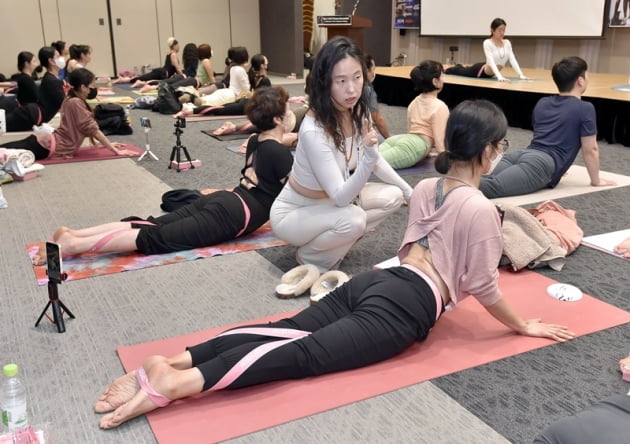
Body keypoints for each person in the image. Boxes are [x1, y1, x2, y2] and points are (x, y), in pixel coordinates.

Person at [93, 99, 574, 430]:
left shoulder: (427, 186)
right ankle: (178, 381)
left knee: (284, 327)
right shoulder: (480, 207)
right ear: (489, 150)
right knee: (303, 356)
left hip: (380, 280)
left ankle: (176, 359)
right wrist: (523, 324)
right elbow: (483, 285)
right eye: (502, 147)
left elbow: (409, 250)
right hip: (406, 303)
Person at [31, 86, 294, 265]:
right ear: (279, 119)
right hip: (233, 215)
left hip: (226, 200)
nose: (294, 114)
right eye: (289, 111)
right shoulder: (278, 152)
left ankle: (75, 234)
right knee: (155, 238)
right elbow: (300, 191)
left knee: (152, 225)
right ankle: (72, 246)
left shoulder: (255, 139)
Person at [269, 36, 412, 272]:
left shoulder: (355, 109)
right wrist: (367, 158)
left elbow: (376, 160)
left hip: (333, 204)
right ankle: (310, 256)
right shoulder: (314, 130)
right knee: (354, 219)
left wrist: (410, 192)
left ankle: (331, 248)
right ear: (325, 83)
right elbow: (341, 197)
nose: (352, 89)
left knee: (394, 195)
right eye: (341, 81)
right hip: (296, 212)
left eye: (357, 77)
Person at [479, 56, 616, 198]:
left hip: (520, 155)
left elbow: (546, 135)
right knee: (490, 187)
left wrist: (562, 167)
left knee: (474, 178)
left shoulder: (543, 103)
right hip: (541, 164)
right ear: (580, 81)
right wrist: (596, 181)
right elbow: (591, 150)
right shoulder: (585, 108)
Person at [0, 68, 134, 160]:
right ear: (82, 87)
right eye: (92, 85)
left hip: (46, 142)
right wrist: (115, 150)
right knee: (5, 152)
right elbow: (93, 130)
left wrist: (106, 145)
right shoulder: (76, 103)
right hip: (47, 146)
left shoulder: (71, 99)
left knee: (5, 149)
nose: (93, 88)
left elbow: (85, 129)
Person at [378, 60, 449, 169]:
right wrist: (445, 161)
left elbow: (412, 129)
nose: (443, 79)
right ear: (435, 81)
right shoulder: (440, 107)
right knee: (371, 163)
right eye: (442, 76)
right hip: (415, 146)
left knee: (366, 159)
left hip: (401, 139)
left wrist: (427, 152)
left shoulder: (415, 101)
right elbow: (440, 141)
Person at [2, 47, 66, 132]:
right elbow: (65, 104)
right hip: (30, 115)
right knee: (2, 125)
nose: (61, 59)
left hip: (32, 115)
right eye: (58, 56)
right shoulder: (51, 81)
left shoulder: (51, 79)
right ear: (51, 61)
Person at [445, 18, 528, 82]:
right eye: (500, 30)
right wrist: (499, 76)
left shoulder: (507, 43)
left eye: (504, 30)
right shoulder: (487, 42)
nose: (502, 33)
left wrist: (521, 74)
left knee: (464, 68)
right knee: (459, 72)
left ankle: (460, 66)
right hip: (481, 71)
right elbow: (491, 61)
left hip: (490, 72)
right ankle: (446, 69)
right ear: (492, 30)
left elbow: (512, 59)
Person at [114, 37, 183, 86]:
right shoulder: (173, 54)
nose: (179, 47)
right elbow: (177, 69)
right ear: (174, 46)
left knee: (143, 77)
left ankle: (123, 80)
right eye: (178, 45)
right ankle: (140, 83)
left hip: (161, 71)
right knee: (156, 82)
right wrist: (183, 76)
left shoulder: (169, 53)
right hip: (163, 74)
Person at [364, 54, 390, 139]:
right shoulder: (368, 89)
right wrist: (390, 140)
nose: (373, 74)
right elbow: (378, 120)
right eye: (373, 70)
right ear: (367, 70)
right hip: (362, 137)